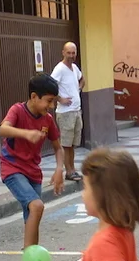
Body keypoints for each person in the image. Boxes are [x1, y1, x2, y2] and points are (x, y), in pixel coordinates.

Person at [0, 73, 65, 261]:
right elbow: (3, 129)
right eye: (49, 101)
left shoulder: (47, 120)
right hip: (12, 168)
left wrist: (59, 170)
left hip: (33, 172)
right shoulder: (18, 110)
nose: (51, 106)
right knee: (36, 206)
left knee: (32, 219)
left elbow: (58, 148)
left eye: (54, 102)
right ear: (34, 97)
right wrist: (26, 134)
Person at [52, 42, 85, 182]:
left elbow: (82, 79)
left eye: (73, 53)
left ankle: (72, 169)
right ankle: (69, 172)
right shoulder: (59, 69)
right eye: (69, 53)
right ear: (63, 53)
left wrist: (78, 89)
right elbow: (50, 86)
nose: (71, 55)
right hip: (65, 113)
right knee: (66, 144)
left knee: (72, 144)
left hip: (76, 111)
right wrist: (60, 99)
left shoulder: (74, 68)